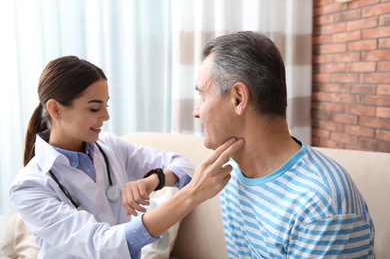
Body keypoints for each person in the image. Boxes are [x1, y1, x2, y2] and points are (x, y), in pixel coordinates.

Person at [8, 56, 244, 258]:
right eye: (94, 108)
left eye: (106, 105)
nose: (106, 116)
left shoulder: (110, 146)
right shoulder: (29, 186)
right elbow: (101, 245)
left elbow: (183, 165)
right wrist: (191, 196)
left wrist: (153, 180)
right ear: (56, 109)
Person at [192, 31, 375, 258]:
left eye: (203, 96)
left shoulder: (322, 205)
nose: (196, 112)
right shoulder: (232, 176)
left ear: (238, 98)